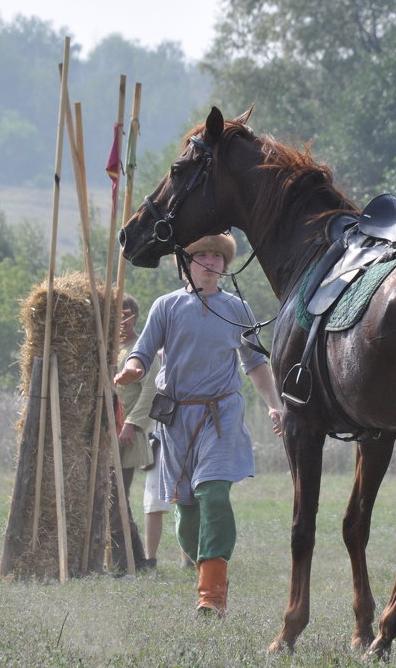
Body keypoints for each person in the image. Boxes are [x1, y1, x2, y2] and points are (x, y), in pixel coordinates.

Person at [114, 233, 285, 616]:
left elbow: (255, 364)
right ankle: (206, 564)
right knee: (187, 515)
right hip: (175, 419)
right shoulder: (167, 306)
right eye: (200, 255)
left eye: (216, 256)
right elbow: (142, 351)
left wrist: (275, 405)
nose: (209, 262)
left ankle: (212, 596)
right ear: (185, 264)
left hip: (221, 415)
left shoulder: (239, 309)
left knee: (214, 493)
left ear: (225, 266)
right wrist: (131, 369)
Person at [111, 293, 157, 573]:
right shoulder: (109, 348)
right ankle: (128, 561)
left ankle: (133, 562)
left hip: (126, 433)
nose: (123, 323)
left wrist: (131, 424)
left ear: (136, 318)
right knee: (111, 500)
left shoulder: (141, 349)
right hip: (108, 432)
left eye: (127, 316)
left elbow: (149, 391)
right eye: (118, 316)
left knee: (117, 498)